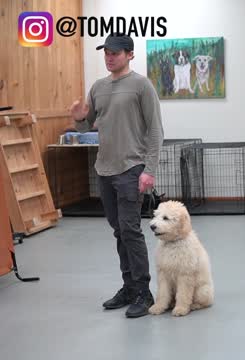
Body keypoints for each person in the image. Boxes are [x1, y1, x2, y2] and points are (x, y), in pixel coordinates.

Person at [68, 33, 164, 318]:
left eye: (116, 52)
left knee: (131, 230)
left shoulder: (141, 85)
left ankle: (144, 293)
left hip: (131, 169)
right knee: (119, 231)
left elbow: (156, 131)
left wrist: (149, 170)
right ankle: (128, 287)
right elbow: (87, 124)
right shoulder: (98, 87)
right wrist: (77, 117)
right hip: (104, 170)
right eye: (107, 52)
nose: (110, 57)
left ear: (130, 55)